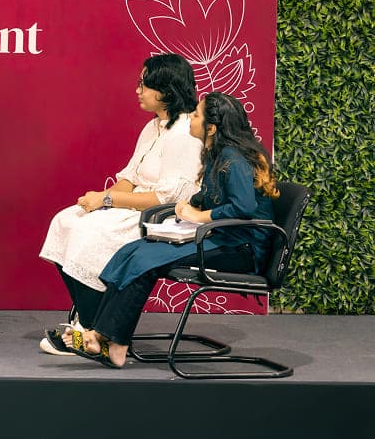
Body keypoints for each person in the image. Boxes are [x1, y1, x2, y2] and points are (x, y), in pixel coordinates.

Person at [52, 92, 280, 368]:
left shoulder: (235, 159)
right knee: (131, 251)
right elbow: (213, 195)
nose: (190, 120)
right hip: (218, 238)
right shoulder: (217, 154)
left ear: (212, 128)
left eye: (196, 115)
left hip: (239, 249)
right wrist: (188, 205)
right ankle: (101, 335)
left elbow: (242, 208)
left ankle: (116, 344)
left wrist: (198, 215)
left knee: (145, 262)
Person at [38, 54, 202, 355]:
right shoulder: (154, 127)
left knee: (89, 233)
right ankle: (91, 325)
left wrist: (108, 200)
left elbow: (168, 198)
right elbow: (129, 176)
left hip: (161, 219)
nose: (137, 90)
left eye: (144, 84)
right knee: (66, 220)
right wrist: (102, 202)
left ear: (165, 89)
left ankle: (89, 335)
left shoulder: (185, 133)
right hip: (135, 207)